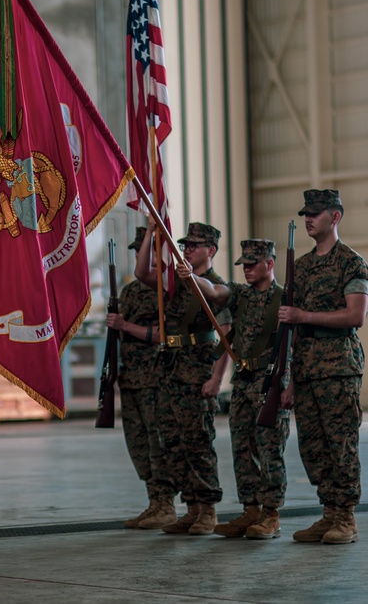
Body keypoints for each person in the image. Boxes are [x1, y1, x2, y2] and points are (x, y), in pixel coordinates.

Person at [177, 239, 290, 540]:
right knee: (241, 449)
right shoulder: (241, 295)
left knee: (269, 451)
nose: (248, 269)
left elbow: (294, 347)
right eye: (245, 264)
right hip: (243, 384)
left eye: (254, 263)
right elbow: (215, 290)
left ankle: (271, 514)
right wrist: (192, 277)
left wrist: (288, 386)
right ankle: (251, 509)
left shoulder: (284, 299)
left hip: (269, 383)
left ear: (270, 264)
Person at [278, 189, 367, 544]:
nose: (308, 219)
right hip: (307, 367)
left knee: (340, 443)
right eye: (305, 214)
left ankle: (345, 517)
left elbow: (356, 315)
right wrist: (288, 380)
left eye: (315, 213)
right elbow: (294, 329)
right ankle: (328, 512)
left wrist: (305, 315)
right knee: (313, 446)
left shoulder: (352, 262)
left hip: (338, 366)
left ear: (336, 217)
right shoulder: (301, 266)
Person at [135, 219, 229, 535]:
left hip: (197, 371)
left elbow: (226, 330)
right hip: (171, 370)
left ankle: (207, 510)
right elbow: (142, 274)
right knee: (174, 443)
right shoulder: (175, 283)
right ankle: (190, 507)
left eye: (194, 245)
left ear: (210, 250)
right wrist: (150, 233)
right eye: (184, 244)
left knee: (198, 442)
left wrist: (217, 379)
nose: (186, 249)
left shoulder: (217, 284)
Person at [105, 226, 176, 529]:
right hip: (131, 377)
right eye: (135, 251)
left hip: (155, 377)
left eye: (143, 249)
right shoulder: (130, 291)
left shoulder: (164, 289)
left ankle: (166, 504)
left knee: (157, 441)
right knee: (138, 443)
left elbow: (164, 335)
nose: (139, 255)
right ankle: (153, 501)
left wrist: (124, 325)